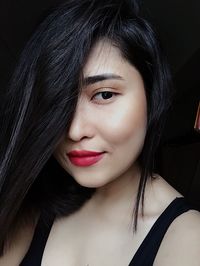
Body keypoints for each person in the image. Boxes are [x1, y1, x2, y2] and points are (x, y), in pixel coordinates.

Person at [0, 0, 200, 265]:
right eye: (56, 101)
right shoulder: (32, 207)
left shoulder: (187, 239)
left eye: (104, 94)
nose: (73, 130)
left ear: (152, 97)